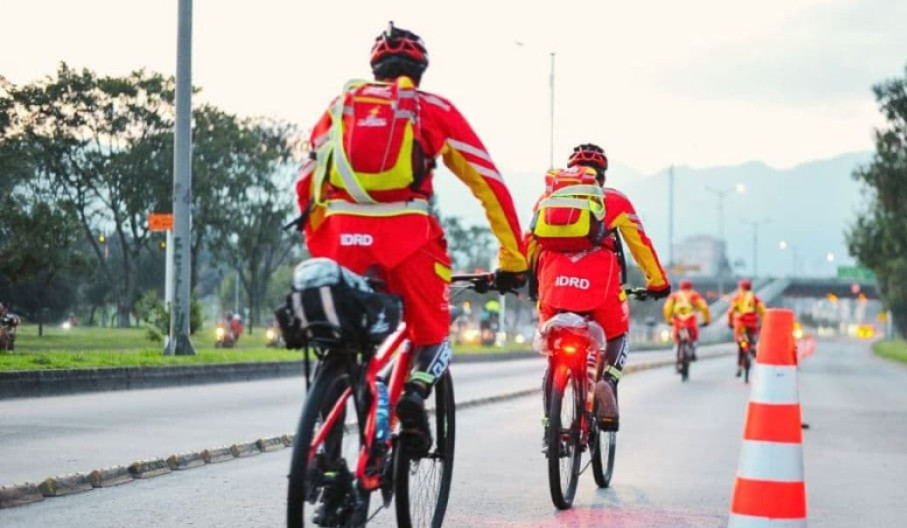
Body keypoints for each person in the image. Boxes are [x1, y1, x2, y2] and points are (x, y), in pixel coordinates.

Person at [294, 22, 528, 456]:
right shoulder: (431, 109)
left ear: (375, 66)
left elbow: (308, 178)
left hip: (340, 240)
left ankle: (325, 465)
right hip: (408, 242)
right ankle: (415, 394)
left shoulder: (341, 106)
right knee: (432, 333)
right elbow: (489, 184)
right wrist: (513, 259)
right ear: (420, 71)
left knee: (340, 345)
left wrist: (319, 239)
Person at [526, 143, 670, 432]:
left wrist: (528, 281)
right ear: (601, 177)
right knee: (618, 335)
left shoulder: (548, 198)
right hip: (598, 287)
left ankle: (548, 426)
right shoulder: (613, 200)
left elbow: (529, 244)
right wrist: (657, 283)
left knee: (554, 357)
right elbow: (640, 244)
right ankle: (607, 381)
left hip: (553, 286)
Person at [662, 280, 711, 360]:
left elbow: (667, 308)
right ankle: (693, 349)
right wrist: (706, 321)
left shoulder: (674, 295)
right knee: (694, 336)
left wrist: (668, 320)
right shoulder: (694, 295)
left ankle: (677, 348)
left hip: (678, 319)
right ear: (691, 286)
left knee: (676, 336)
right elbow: (704, 308)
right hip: (690, 319)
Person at [727, 278, 766, 377]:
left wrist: (730, 322)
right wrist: (763, 322)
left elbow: (731, 312)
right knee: (753, 339)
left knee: (741, 344)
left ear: (740, 287)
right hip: (752, 322)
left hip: (740, 323)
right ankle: (753, 348)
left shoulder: (737, 297)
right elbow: (762, 311)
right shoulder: (754, 297)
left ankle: (739, 366)